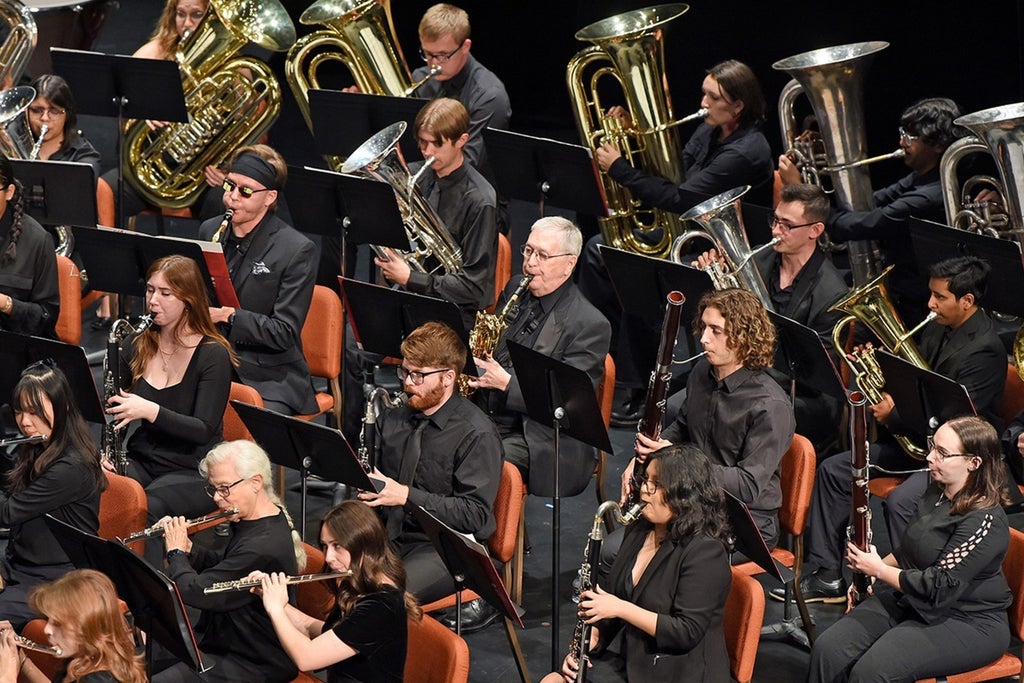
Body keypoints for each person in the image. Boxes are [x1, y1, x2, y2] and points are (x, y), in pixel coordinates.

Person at [785, 256, 1006, 604]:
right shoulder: (936, 324)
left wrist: (895, 415)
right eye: (930, 295)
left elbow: (960, 421)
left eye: (940, 297)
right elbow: (914, 382)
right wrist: (879, 367)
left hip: (956, 458)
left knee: (904, 501)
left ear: (967, 301)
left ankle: (912, 587)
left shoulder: (986, 350)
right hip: (916, 444)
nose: (930, 304)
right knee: (833, 471)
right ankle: (829, 575)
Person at [581, 60, 774, 425]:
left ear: (737, 106)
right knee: (597, 250)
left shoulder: (746, 151)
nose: (702, 102)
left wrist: (620, 167)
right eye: (704, 92)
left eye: (712, 97)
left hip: (719, 249)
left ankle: (637, 383)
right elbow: (670, 172)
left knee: (641, 273)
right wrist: (631, 137)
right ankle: (602, 355)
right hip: (688, 233)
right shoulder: (708, 130)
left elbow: (681, 197)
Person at [808, 416, 1012, 683]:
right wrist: (875, 568)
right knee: (828, 650)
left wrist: (878, 570)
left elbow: (938, 587)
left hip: (968, 620)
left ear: (974, 463)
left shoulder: (986, 521)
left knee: (871, 672)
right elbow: (908, 551)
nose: (929, 457)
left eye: (942, 453)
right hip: (911, 598)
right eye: (932, 446)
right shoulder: (936, 490)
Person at [342, 98, 498, 441]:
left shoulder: (480, 199)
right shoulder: (418, 178)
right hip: (411, 302)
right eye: (422, 142)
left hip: (452, 318)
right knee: (352, 349)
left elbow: (475, 287)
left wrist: (409, 276)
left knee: (419, 365)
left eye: (435, 144)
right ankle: (354, 450)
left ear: (461, 140)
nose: (425, 152)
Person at [542, 444, 733, 683]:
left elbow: (686, 632)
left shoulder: (705, 552)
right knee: (553, 679)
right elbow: (613, 596)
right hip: (634, 657)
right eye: (645, 480)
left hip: (676, 670)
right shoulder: (640, 530)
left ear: (684, 493)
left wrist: (620, 608)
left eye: (656, 484)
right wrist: (592, 639)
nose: (644, 490)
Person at [629, 288, 795, 549]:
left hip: (746, 521)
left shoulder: (770, 406)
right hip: (696, 502)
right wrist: (650, 457)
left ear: (743, 337)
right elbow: (683, 426)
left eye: (716, 331)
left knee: (656, 557)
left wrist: (677, 461)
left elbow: (748, 485)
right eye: (704, 327)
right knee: (623, 546)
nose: (704, 339)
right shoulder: (702, 372)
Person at [779, 97, 965, 322]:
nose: (901, 142)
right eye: (902, 133)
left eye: (910, 137)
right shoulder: (921, 178)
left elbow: (858, 226)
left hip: (917, 301)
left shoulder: (930, 196)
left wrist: (801, 190)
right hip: (901, 286)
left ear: (937, 144)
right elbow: (870, 202)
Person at [357, 321, 502, 606]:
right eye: (405, 372)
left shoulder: (477, 433)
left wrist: (407, 496)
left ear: (448, 377)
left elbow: (474, 515)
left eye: (419, 375)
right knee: (332, 573)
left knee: (381, 598)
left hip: (444, 546)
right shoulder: (395, 416)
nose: (408, 382)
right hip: (389, 532)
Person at [695, 183, 849, 451]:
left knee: (723, 411)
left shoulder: (832, 293)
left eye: (787, 225)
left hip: (802, 396)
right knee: (690, 392)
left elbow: (814, 374)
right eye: (775, 220)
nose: (776, 231)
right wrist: (713, 278)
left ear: (815, 230)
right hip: (752, 375)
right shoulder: (759, 259)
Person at [472, 216, 610, 497]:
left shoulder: (589, 324)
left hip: (541, 436)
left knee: (478, 455)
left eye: (543, 255)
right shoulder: (515, 288)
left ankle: (482, 536)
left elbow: (568, 404)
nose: (530, 262)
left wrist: (507, 384)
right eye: (528, 250)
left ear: (569, 264)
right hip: (490, 414)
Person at [152, 440, 303, 683]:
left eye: (224, 488)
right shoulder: (256, 516)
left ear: (255, 482)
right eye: (212, 488)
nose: (217, 498)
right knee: (137, 664)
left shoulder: (262, 545)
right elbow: (225, 566)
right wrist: (190, 549)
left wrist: (176, 554)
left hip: (253, 658)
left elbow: (197, 593)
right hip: (223, 638)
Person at [105, 255, 234, 527]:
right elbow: (115, 410)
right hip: (143, 459)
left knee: (141, 508)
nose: (152, 301)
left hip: (193, 469)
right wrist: (103, 453)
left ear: (188, 301)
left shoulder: (212, 354)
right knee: (90, 487)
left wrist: (151, 411)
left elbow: (203, 429)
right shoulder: (136, 343)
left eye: (165, 293)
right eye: (150, 290)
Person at [197, 144, 319, 415]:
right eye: (229, 185)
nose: (232, 197)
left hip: (269, 374)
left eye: (246, 191)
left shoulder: (296, 249)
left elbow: (284, 333)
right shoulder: (209, 230)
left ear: (269, 197)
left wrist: (228, 316)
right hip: (213, 357)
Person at [252, 500, 421, 682]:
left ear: (363, 543)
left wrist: (276, 609)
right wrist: (271, 596)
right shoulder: (357, 583)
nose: (328, 557)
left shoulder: (381, 606)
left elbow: (307, 658)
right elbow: (328, 633)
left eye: (337, 546)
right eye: (325, 546)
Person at [0, 362, 105, 631]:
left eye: (34, 412)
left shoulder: (71, 467)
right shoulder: (39, 446)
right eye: (19, 411)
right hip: (20, 562)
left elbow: (8, 512)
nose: (24, 422)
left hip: (58, 579)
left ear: (62, 407)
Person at [409, 3, 511, 185]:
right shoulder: (420, 78)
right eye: (427, 54)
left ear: (465, 46)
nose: (434, 65)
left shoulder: (489, 95)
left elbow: (467, 164)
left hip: (472, 200)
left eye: (442, 55)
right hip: (430, 184)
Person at [0, 569, 148, 683]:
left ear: (87, 628)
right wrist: (20, 657)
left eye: (58, 624)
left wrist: (7, 677)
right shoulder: (83, 659)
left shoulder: (99, 680)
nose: (47, 629)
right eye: (49, 620)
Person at [0, 154, 59, 338]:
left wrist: (6, 304)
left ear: (9, 192)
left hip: (14, 348)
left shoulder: (38, 240)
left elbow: (46, 318)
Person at [9, 74, 101, 177]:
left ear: (67, 114)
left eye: (53, 111)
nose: (44, 118)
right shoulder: (13, 141)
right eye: (37, 110)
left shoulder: (84, 159)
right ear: (26, 112)